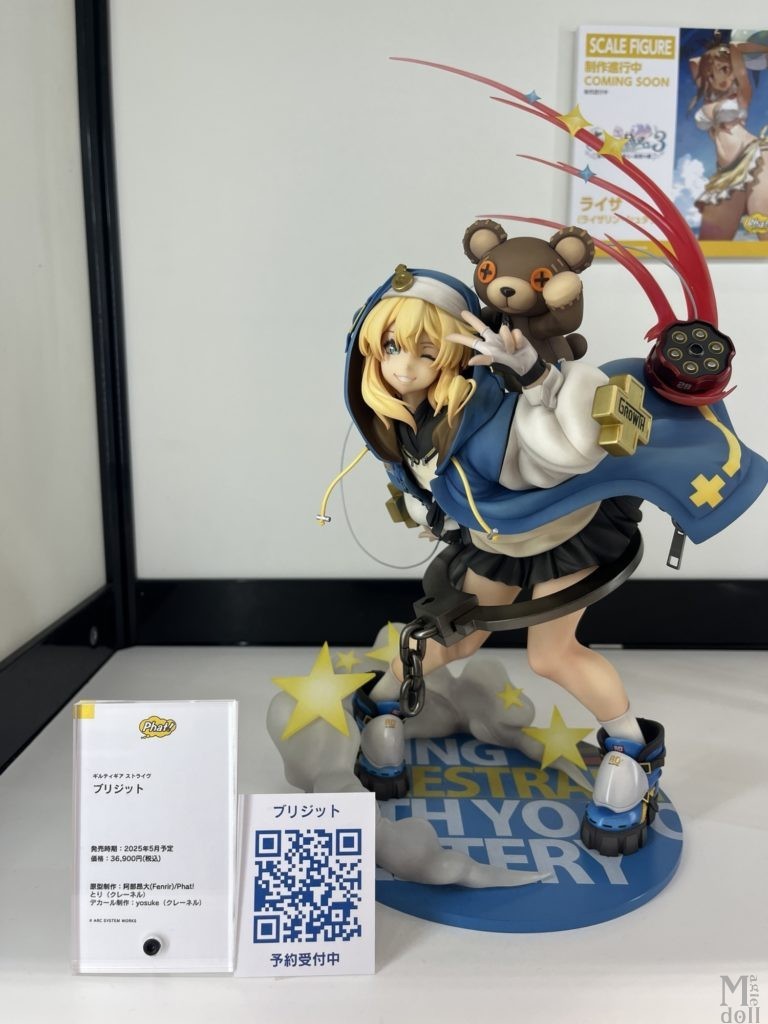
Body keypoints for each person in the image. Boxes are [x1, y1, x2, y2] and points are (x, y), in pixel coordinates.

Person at [333, 263, 767, 855]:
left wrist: (535, 379)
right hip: (500, 542)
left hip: (566, 535)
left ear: (454, 355)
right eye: (390, 348)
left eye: (426, 352)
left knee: (551, 654)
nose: (403, 367)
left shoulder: (491, 418)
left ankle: (631, 752)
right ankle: (383, 704)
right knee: (455, 636)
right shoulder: (404, 425)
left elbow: (570, 450)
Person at [689, 35, 768, 241]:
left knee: (765, 230)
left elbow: (735, 50)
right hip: (726, 173)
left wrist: (732, 50)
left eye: (725, 69)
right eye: (712, 73)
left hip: (756, 156)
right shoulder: (708, 98)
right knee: (709, 244)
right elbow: (694, 63)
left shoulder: (741, 95)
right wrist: (713, 57)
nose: (721, 77)